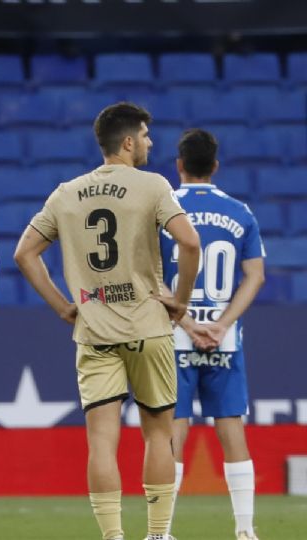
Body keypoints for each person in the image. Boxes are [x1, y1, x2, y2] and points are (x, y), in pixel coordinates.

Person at [14, 102, 201, 540]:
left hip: (94, 331)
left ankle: (113, 536)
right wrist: (181, 301)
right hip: (148, 327)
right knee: (158, 434)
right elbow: (190, 243)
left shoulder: (65, 192)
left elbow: (24, 253)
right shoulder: (153, 185)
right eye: (146, 135)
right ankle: (157, 534)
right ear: (129, 141)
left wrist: (63, 306)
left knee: (101, 441)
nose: (151, 143)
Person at [160, 129, 265, 540]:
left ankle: (162, 531)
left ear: (179, 165)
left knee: (173, 434)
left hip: (174, 338)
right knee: (232, 432)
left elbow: (150, 274)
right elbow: (254, 276)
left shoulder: (162, 208)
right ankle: (244, 530)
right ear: (215, 167)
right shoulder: (241, 212)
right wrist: (223, 324)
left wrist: (186, 322)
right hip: (225, 340)